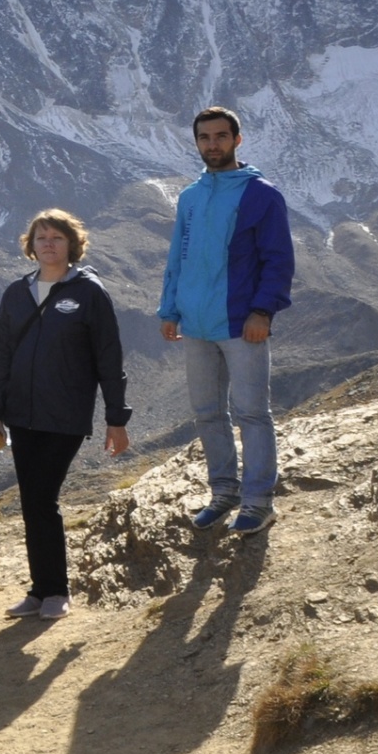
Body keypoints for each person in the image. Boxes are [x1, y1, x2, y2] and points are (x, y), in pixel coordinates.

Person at [0, 210, 131, 620]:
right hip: (21, 414)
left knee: (42, 497)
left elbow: (108, 357)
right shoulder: (16, 292)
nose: (48, 243)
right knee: (32, 501)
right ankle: (39, 590)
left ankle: (56, 591)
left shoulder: (89, 293)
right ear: (31, 245)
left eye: (57, 237)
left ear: (72, 244)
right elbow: (2, 355)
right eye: (41, 237)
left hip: (65, 414)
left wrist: (116, 418)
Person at [158, 106, 295, 536]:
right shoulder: (191, 197)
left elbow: (278, 259)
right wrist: (170, 309)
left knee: (253, 413)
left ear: (238, 140)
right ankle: (224, 491)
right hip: (196, 323)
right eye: (204, 137)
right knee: (207, 413)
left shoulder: (260, 194)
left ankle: (258, 501)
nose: (212, 144)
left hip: (241, 323)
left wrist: (263, 311)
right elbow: (177, 257)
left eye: (220, 136)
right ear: (196, 142)